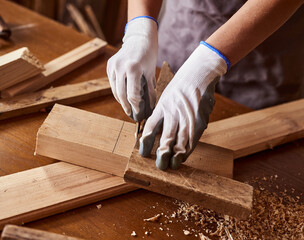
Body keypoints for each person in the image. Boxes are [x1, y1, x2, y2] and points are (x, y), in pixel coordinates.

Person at [107, 0, 304, 170]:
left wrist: (208, 63)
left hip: (263, 62)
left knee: (262, 159)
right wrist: (139, 28)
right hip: (182, 32)